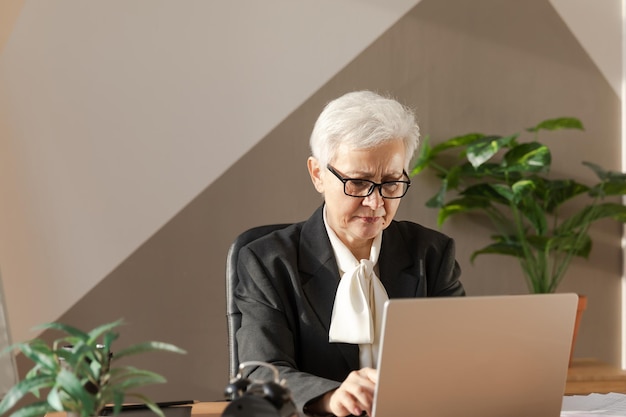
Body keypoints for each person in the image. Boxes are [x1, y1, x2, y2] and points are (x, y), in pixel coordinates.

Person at [234, 90, 465, 416]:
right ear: (318, 174)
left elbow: (459, 360)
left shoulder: (433, 254)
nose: (376, 203)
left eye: (391, 183)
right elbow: (259, 375)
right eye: (358, 183)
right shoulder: (268, 262)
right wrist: (331, 397)